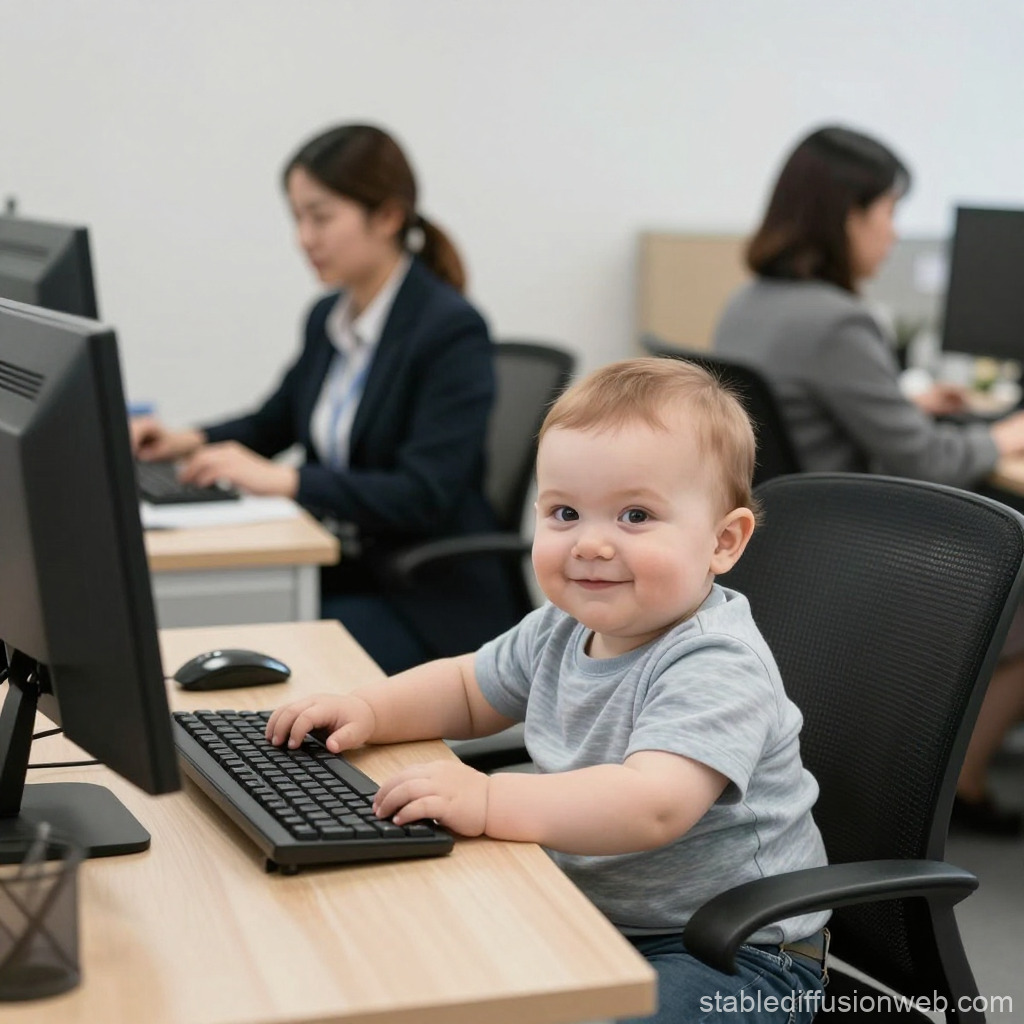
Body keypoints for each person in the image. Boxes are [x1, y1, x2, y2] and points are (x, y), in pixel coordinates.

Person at [267, 358, 831, 1024]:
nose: (590, 544)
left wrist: (487, 798)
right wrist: (368, 708)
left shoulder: (715, 660)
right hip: (585, 909)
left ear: (723, 541)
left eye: (635, 515)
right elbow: (468, 689)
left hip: (732, 952)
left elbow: (652, 805)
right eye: (564, 512)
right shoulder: (565, 625)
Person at [714, 124, 1024, 835]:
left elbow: (812, 408)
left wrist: (904, 404)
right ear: (844, 215)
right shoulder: (840, 320)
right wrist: (1006, 432)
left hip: (784, 547)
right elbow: (925, 462)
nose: (891, 235)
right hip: (852, 559)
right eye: (886, 213)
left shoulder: (752, 300)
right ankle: (963, 787)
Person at [131, 124, 517, 675]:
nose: (304, 238)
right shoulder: (330, 317)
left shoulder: (449, 330)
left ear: (385, 216)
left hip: (423, 600)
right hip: (346, 568)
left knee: (254, 653)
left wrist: (286, 480)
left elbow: (423, 493)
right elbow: (277, 420)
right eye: (297, 218)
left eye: (321, 216)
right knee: (215, 629)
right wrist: (185, 439)